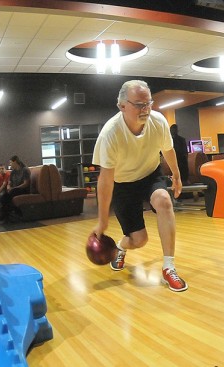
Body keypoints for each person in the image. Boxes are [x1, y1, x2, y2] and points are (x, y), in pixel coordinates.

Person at [92, 80, 187, 292]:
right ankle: (121, 247)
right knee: (139, 240)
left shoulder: (158, 121)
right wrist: (102, 221)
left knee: (163, 201)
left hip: (150, 175)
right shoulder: (110, 134)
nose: (145, 109)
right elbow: (105, 180)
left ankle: (169, 267)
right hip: (123, 184)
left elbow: (168, 150)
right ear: (122, 105)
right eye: (139, 105)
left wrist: (177, 175)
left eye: (148, 103)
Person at [0, 156, 31, 221]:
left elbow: (26, 184)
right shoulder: (13, 172)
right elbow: (9, 182)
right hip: (15, 190)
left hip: (23, 190)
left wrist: (14, 188)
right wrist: (8, 187)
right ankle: (6, 216)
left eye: (10, 162)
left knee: (8, 196)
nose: (10, 164)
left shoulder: (25, 170)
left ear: (15, 162)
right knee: (3, 197)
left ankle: (5, 216)